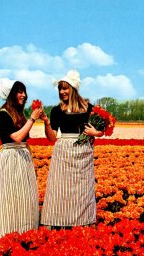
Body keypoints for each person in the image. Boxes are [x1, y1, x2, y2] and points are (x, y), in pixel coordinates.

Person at [40, 70, 104, 229]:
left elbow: (102, 130)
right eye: (60, 89)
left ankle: (82, 223)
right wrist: (47, 123)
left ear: (73, 89)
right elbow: (52, 138)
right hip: (63, 152)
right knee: (61, 188)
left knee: (83, 189)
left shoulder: (89, 108)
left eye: (65, 88)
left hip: (83, 152)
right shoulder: (56, 110)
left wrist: (95, 133)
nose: (62, 92)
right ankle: (59, 222)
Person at [0, 78, 42, 244]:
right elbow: (17, 137)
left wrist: (32, 164)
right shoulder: (3, 114)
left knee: (25, 198)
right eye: (19, 91)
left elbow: (24, 142)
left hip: (23, 158)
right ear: (10, 94)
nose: (23, 95)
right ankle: (7, 237)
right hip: (11, 159)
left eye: (24, 91)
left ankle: (25, 235)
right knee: (10, 198)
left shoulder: (19, 115)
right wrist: (32, 119)